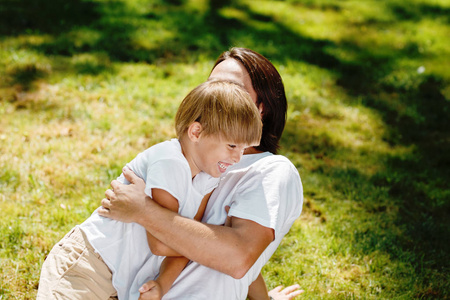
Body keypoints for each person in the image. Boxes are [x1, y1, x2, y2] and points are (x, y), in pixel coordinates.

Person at [99, 48, 304, 300]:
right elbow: (218, 242)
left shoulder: (271, 170)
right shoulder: (195, 160)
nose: (218, 97)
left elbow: (239, 255)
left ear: (261, 109)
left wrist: (142, 209)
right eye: (212, 87)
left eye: (232, 88)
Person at [37, 79, 264, 300]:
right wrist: (214, 248)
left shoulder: (207, 178)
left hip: (120, 282)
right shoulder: (169, 162)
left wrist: (162, 285)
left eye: (244, 148)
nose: (237, 158)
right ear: (196, 132)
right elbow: (163, 242)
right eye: (232, 145)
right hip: (87, 265)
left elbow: (186, 239)